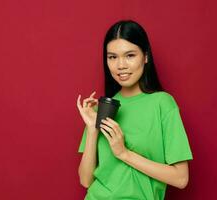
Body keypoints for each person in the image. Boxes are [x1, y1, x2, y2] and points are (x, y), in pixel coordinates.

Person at [76, 20, 193, 200]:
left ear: (145, 56)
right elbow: (85, 180)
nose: (120, 65)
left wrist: (124, 153)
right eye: (112, 57)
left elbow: (181, 178)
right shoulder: (104, 107)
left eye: (130, 55)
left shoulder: (162, 103)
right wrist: (92, 130)